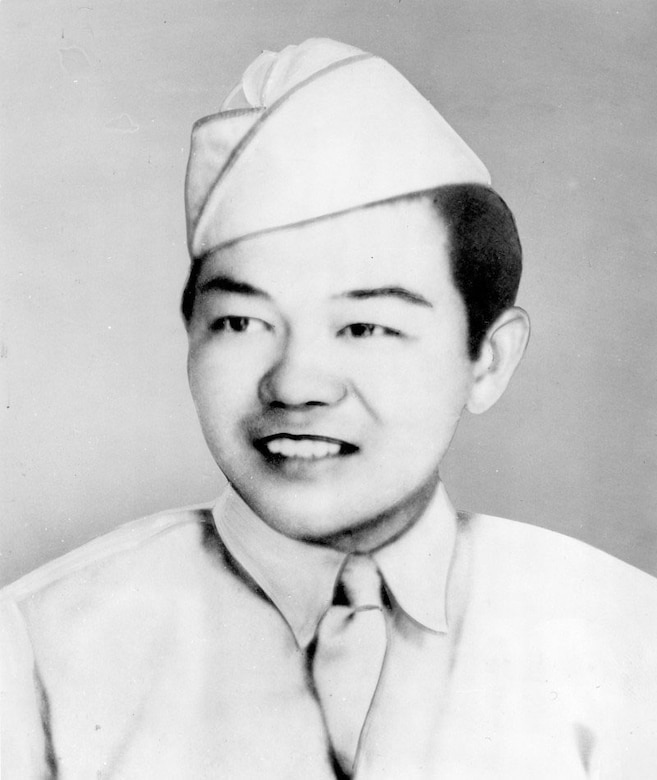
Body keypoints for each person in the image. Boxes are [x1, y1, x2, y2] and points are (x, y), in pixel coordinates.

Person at [1, 37, 656, 779]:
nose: (295, 384)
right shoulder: (36, 644)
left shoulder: (625, 633)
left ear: (487, 359)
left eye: (365, 327)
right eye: (242, 323)